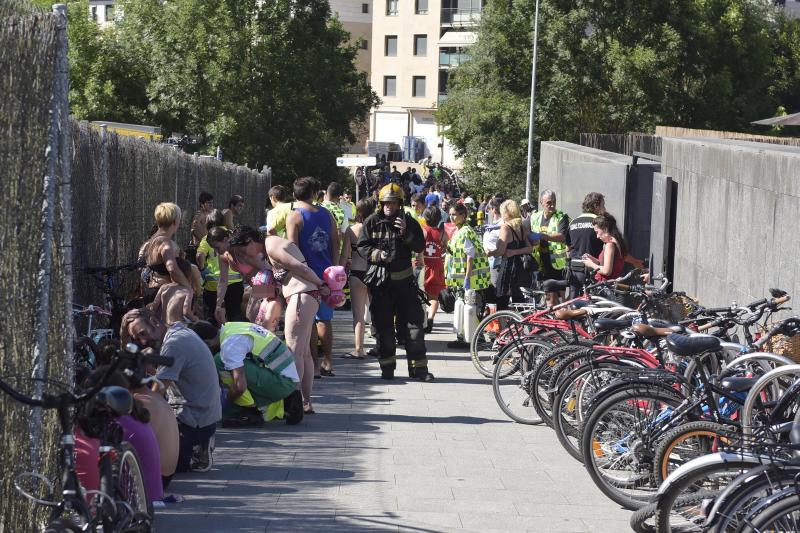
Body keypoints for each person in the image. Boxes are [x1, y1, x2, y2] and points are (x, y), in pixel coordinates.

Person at [228, 226, 329, 414]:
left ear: (250, 241)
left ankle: (293, 403)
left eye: (243, 251)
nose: (245, 256)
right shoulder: (269, 248)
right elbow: (272, 284)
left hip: (301, 295)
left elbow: (300, 268)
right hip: (304, 296)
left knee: (294, 351)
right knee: (304, 353)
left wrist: (321, 283)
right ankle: (305, 402)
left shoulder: (271, 245)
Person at [120, 307, 221, 473]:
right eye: (137, 338)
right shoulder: (177, 331)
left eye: (143, 333)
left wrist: (134, 418)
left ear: (154, 321)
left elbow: (156, 394)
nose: (142, 341)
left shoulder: (174, 344)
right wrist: (124, 334)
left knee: (159, 465)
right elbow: (126, 363)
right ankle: (199, 443)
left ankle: (198, 445)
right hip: (203, 413)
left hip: (194, 420)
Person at [357, 183, 433, 381]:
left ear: (399, 204)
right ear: (381, 204)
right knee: (384, 330)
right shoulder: (372, 222)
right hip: (381, 286)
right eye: (385, 203)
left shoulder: (409, 222)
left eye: (392, 203)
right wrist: (378, 255)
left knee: (414, 329)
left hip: (405, 285)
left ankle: (419, 370)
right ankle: (387, 370)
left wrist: (406, 233)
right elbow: (362, 246)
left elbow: (419, 246)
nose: (389, 206)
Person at [190, 321, 304, 426]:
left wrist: (225, 402)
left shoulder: (230, 346)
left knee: (220, 361)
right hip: (285, 377)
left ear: (206, 343)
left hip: (282, 382)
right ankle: (288, 400)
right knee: (231, 370)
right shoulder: (231, 328)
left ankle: (250, 411)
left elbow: (240, 387)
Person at [286, 177, 339, 378]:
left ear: (294, 194)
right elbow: (335, 241)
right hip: (327, 273)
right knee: (324, 320)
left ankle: (314, 366)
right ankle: (328, 362)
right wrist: (334, 268)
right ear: (314, 194)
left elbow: (292, 248)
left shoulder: (294, 217)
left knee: (308, 323)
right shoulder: (326, 214)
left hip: (306, 275)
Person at [445, 202, 491, 348]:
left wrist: (467, 278)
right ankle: (464, 338)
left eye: (454, 214)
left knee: (470, 309)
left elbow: (470, 256)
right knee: (463, 308)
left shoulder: (465, 231)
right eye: (450, 214)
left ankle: (475, 339)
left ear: (463, 215)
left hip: (471, 280)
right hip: (462, 280)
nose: (451, 217)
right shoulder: (458, 230)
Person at [138, 202, 193, 305]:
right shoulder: (164, 243)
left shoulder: (152, 240)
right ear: (175, 221)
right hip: (164, 296)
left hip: (153, 291)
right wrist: (188, 288)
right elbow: (173, 270)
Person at [340, 198, 375, 359]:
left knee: (358, 315)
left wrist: (339, 274)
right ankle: (381, 347)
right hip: (374, 273)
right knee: (377, 312)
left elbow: (344, 256)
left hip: (357, 273)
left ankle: (359, 349)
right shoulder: (376, 228)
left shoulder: (351, 230)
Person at [488, 200, 535, 310]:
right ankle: (521, 320)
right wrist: (515, 251)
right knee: (519, 301)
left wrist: (490, 253)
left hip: (509, 267)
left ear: (505, 213)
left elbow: (500, 251)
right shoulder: (522, 227)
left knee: (502, 301)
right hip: (521, 268)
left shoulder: (506, 227)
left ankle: (503, 321)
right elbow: (530, 248)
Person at [528, 190, 569, 307]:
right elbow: (527, 232)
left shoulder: (561, 216)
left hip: (558, 264)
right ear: (541, 202)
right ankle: (553, 317)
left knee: (562, 300)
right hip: (542, 263)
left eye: (554, 202)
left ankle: (563, 317)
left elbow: (561, 236)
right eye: (549, 203)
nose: (552, 205)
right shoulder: (535, 217)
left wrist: (542, 235)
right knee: (550, 299)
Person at [564, 192, 606, 297]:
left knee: (573, 302)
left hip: (574, 270)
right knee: (592, 303)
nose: (604, 209)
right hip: (592, 270)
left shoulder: (573, 222)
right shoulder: (599, 222)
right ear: (596, 206)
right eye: (603, 205)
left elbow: (567, 248)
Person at [421, 207, 447, 333]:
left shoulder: (423, 231)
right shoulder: (443, 233)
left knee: (419, 295)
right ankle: (430, 318)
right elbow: (444, 249)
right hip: (437, 265)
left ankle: (422, 320)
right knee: (434, 296)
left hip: (423, 265)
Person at [149, 258, 198, 324]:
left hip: (163, 324)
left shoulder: (164, 287)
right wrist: (196, 319)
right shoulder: (188, 290)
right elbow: (186, 312)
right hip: (178, 325)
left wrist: (152, 317)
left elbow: (153, 307)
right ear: (188, 274)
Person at [582, 212, 627, 281]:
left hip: (604, 284)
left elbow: (607, 271)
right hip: (609, 284)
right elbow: (607, 264)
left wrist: (591, 264)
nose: (597, 236)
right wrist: (593, 260)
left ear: (605, 229)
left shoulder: (610, 245)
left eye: (597, 232)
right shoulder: (617, 242)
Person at [188, 192, 214, 264]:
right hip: (199, 248)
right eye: (209, 203)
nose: (211, 205)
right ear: (202, 204)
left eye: (212, 202)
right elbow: (193, 230)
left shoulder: (210, 215)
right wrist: (205, 242)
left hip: (208, 248)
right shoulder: (199, 215)